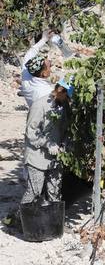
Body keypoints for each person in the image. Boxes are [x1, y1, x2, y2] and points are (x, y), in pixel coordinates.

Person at [22, 79, 71, 207]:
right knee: (34, 192)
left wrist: (65, 144)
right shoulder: (40, 105)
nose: (68, 100)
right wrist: (48, 143)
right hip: (36, 156)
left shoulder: (64, 106)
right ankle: (20, 221)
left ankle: (53, 224)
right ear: (60, 90)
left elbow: (66, 130)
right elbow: (31, 132)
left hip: (56, 157)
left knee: (55, 193)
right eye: (67, 96)